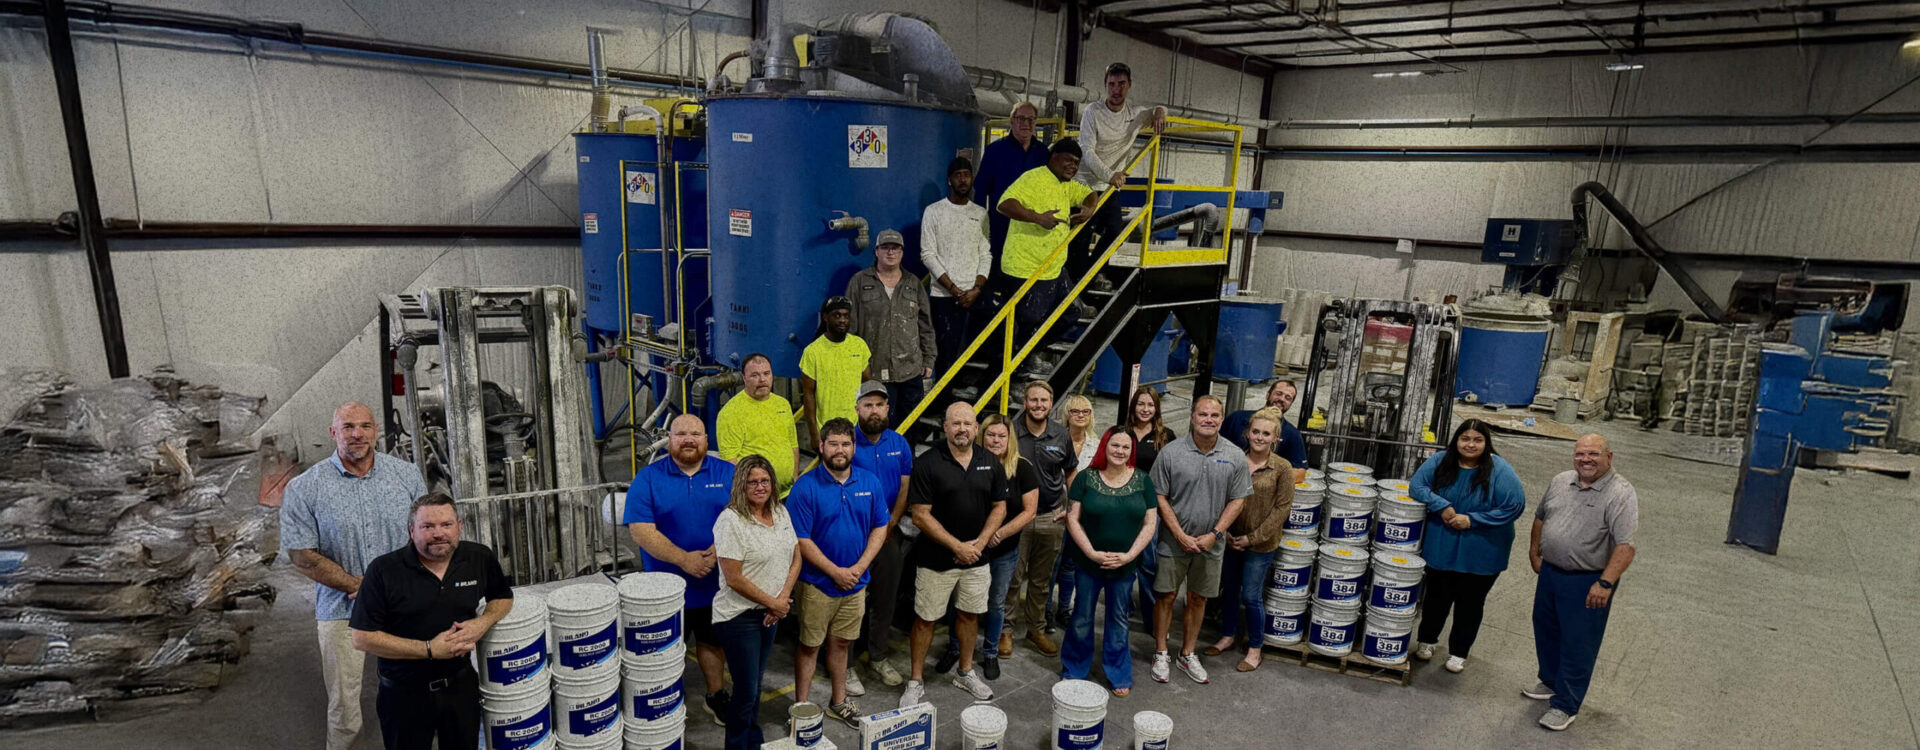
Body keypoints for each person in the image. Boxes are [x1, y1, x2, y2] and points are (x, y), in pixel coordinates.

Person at [280, 401, 428, 750]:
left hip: (402, 599)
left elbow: (424, 534)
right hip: (341, 606)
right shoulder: (305, 487)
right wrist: (360, 587)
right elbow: (302, 554)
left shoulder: (406, 475)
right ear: (333, 433)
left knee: (414, 687)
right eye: (348, 427)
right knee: (344, 703)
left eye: (365, 426)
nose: (357, 434)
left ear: (376, 431)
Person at [348, 493, 513, 750]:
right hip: (404, 694)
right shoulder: (383, 570)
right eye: (427, 526)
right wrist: (428, 649)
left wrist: (483, 623)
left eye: (446, 524)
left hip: (460, 686)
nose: (438, 534)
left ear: (459, 526)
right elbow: (362, 637)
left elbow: (502, 596)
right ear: (411, 530)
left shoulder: (478, 557)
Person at [624, 414, 735, 726]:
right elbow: (640, 530)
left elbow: (742, 517)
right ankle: (664, 700)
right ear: (669, 440)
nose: (689, 440)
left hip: (715, 584)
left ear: (706, 440)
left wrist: (717, 552)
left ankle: (716, 695)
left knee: (712, 642)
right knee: (664, 650)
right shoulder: (648, 478)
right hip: (665, 590)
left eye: (696, 434)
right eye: (681, 434)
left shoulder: (728, 473)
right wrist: (684, 559)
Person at [1525, 434, 1638, 731]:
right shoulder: (1561, 480)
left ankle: (1566, 704)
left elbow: (1625, 546)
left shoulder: (1620, 493)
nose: (1585, 459)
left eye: (1593, 454)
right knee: (1546, 629)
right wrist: (1534, 551)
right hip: (1551, 572)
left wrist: (1605, 583)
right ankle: (1550, 681)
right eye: (1580, 453)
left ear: (1609, 457)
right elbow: (1540, 517)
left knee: (1579, 642)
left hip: (1588, 580)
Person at [900, 402, 1007, 707]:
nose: (962, 429)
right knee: (925, 619)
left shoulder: (990, 461)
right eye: (955, 423)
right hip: (935, 561)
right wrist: (957, 547)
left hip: (976, 560)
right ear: (945, 427)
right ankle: (915, 681)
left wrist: (979, 545)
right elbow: (920, 515)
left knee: (969, 615)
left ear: (976, 428)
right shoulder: (927, 463)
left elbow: (999, 507)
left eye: (967, 424)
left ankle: (965, 671)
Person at [787, 418, 890, 727]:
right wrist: (835, 572)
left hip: (855, 585)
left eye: (846, 444)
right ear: (821, 446)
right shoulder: (805, 487)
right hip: (817, 585)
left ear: (854, 447)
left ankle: (839, 702)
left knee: (842, 643)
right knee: (810, 646)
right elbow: (801, 539)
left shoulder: (870, 482)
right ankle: (801, 707)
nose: (840, 450)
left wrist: (858, 568)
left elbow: (880, 526)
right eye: (833, 444)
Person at [1147, 394, 1251, 685]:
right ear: (1192, 417)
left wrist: (1215, 534)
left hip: (1211, 544)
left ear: (1221, 419)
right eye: (1203, 414)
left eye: (1214, 415)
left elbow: (1238, 500)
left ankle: (1187, 654)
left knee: (1198, 598)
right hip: (1173, 541)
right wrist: (1179, 534)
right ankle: (1161, 652)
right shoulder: (1171, 453)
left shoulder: (1234, 456)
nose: (1208, 420)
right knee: (1166, 595)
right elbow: (1159, 496)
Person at [1408, 419, 1527, 674]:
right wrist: (1440, 504)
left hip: (1482, 551)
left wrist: (1473, 520)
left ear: (1486, 443)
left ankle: (1459, 652)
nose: (1470, 445)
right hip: (1442, 546)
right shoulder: (1441, 461)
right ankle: (1427, 641)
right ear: (1456, 440)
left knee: (1470, 604)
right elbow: (1416, 485)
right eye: (1465, 439)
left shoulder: (1499, 469)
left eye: (1477, 440)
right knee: (1436, 598)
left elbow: (1515, 505)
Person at [712, 455, 801, 750]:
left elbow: (796, 556)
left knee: (756, 684)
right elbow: (734, 578)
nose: (760, 487)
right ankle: (738, 745)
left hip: (770, 613)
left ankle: (753, 740)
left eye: (764, 481)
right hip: (739, 617)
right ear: (741, 485)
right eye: (752, 482)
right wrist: (773, 603)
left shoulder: (780, 511)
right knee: (746, 690)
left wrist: (781, 599)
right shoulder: (731, 521)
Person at [939, 412, 1037, 679]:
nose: (995, 440)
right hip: (970, 548)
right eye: (990, 435)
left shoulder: (1022, 468)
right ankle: (955, 647)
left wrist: (1000, 533)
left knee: (995, 602)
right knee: (960, 600)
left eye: (1001, 436)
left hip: (1003, 550)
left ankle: (990, 653)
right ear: (981, 436)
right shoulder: (970, 463)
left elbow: (1029, 511)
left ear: (1010, 439)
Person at [1062, 428, 1158, 697]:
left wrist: (1130, 555)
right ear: (1105, 446)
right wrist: (1091, 552)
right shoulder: (1086, 478)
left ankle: (1118, 672)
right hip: (1088, 564)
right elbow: (1072, 519)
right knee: (1082, 617)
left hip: (1124, 566)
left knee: (1118, 619)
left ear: (1132, 451)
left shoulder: (1143, 481)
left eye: (1126, 447)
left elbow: (1150, 523)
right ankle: (1074, 668)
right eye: (1115, 445)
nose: (1120, 451)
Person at [1206, 407, 1294, 671]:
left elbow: (1282, 509)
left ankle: (1255, 648)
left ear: (1275, 438)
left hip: (1261, 544)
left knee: (1252, 595)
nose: (1259, 437)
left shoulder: (1282, 468)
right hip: (1231, 538)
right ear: (1247, 433)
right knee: (1230, 589)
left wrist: (1252, 538)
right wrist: (1225, 531)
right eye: (1255, 431)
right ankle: (1228, 635)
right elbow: (1222, 497)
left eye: (1266, 434)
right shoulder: (1235, 460)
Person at [994, 139, 1099, 350]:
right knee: (1028, 319)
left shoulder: (1067, 185)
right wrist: (1037, 218)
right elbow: (1004, 204)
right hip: (1026, 267)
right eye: (1068, 160)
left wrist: (1089, 209)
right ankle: (1015, 362)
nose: (1073, 166)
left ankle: (1029, 353)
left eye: (1077, 163)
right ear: (1054, 157)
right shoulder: (1032, 178)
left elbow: (1090, 194)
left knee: (1072, 312)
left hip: (1054, 267)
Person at [1069, 62, 1167, 287]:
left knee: (1115, 231)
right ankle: (1078, 286)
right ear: (1105, 85)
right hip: (1084, 184)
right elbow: (1087, 150)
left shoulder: (1135, 113)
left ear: (1129, 85)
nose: (1116, 89)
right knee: (1080, 239)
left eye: (1121, 84)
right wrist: (1110, 175)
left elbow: (1157, 109)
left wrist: (1160, 111)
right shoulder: (1093, 112)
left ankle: (1091, 274)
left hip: (1108, 186)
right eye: (1111, 84)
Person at [850, 382, 913, 690]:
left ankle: (878, 657)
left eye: (879, 405)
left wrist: (892, 521)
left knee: (885, 599)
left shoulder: (899, 443)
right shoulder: (846, 443)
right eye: (868, 405)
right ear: (857, 409)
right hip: (853, 535)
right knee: (850, 603)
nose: (874, 411)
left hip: (888, 534)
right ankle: (846, 664)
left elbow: (904, 488)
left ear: (888, 409)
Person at [1011, 380, 1075, 657]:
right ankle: (1004, 630)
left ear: (1051, 404)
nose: (1038, 405)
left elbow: (1070, 472)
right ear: (1025, 402)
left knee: (1041, 579)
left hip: (1051, 517)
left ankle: (1035, 628)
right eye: (1034, 400)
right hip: (1016, 519)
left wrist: (1072, 506)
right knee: (1012, 578)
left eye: (1044, 400)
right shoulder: (1011, 432)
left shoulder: (1061, 435)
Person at [847, 229, 936, 420]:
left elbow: (925, 325)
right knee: (878, 426)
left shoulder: (913, 283)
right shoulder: (859, 282)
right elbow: (850, 327)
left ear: (902, 253)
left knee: (910, 426)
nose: (890, 252)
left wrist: (929, 359)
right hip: (873, 371)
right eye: (885, 247)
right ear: (876, 251)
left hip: (910, 371)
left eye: (895, 248)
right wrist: (853, 364)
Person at [923, 157, 993, 376]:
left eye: (967, 175)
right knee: (947, 357)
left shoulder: (980, 213)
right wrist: (953, 288)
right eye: (958, 175)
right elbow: (927, 254)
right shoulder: (933, 211)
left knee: (986, 347)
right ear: (949, 180)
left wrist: (977, 288)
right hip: (944, 297)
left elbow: (985, 253)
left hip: (975, 295)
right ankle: (944, 397)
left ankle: (976, 389)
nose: (963, 180)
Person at [975, 101, 1052, 272]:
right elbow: (980, 190)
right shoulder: (994, 151)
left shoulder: (1043, 153)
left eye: (1031, 119)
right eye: (1021, 118)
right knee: (999, 270)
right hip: (1001, 226)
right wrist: (979, 226)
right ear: (1012, 121)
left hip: (1032, 227)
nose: (1026, 124)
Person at [1123, 387, 1176, 618]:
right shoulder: (1122, 432)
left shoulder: (1165, 436)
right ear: (1133, 406)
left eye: (1150, 405)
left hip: (1150, 508)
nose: (1145, 409)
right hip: (1122, 506)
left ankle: (1151, 615)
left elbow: (1172, 474)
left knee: (1148, 562)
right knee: (1124, 560)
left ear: (1157, 408)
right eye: (1141, 404)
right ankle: (1123, 608)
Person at [718, 353, 802, 496]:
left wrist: (794, 478)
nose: (762, 379)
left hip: (787, 494)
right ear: (744, 378)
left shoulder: (783, 404)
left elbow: (793, 445)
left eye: (766, 373)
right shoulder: (730, 413)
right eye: (755, 375)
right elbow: (730, 462)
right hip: (755, 496)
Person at [1051, 393, 1099, 628]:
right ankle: (1044, 613)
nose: (1080, 415)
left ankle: (1064, 609)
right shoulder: (1055, 441)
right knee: (1052, 564)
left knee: (1070, 564)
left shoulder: (1097, 446)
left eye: (1085, 411)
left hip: (1081, 515)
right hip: (1055, 511)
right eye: (1075, 411)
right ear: (1066, 415)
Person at [800, 297, 872, 449]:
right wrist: (814, 434)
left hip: (856, 429)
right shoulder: (812, 352)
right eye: (837, 315)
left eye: (846, 316)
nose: (842, 320)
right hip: (827, 431)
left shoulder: (859, 345)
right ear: (826, 317)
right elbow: (808, 395)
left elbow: (868, 385)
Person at [1223, 379, 1310, 478]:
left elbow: (1300, 472)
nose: (1282, 399)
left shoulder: (1293, 434)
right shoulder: (1236, 419)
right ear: (1268, 395)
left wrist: (1267, 479)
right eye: (1278, 394)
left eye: (1288, 398)